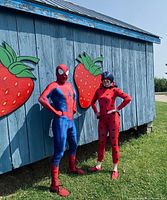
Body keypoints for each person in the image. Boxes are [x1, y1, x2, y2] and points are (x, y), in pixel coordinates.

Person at [39, 64, 85, 197]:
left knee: (74, 144)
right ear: (57, 73)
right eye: (62, 72)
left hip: (70, 121)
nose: (65, 75)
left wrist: (74, 107)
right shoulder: (54, 86)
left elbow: (74, 96)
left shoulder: (69, 85)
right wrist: (55, 111)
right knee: (59, 151)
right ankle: (54, 185)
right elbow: (42, 98)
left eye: (66, 72)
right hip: (61, 122)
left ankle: (72, 167)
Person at [89, 71, 132, 180]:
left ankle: (115, 168)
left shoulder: (115, 90)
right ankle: (98, 165)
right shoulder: (98, 90)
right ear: (102, 81)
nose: (106, 82)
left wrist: (117, 109)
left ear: (111, 81)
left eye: (108, 81)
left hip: (113, 120)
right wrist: (96, 112)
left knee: (114, 144)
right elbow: (92, 102)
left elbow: (128, 98)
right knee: (101, 142)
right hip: (102, 120)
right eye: (104, 80)